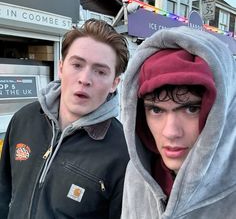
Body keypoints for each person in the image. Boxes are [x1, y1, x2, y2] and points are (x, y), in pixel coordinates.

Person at [0, 18, 130, 219]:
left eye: (100, 71)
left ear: (115, 83)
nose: (85, 79)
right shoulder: (23, 119)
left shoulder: (123, 153)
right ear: (61, 68)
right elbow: (4, 193)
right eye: (77, 64)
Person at [120, 26, 236, 218]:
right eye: (156, 110)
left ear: (223, 108)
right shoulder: (138, 175)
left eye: (191, 109)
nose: (171, 132)